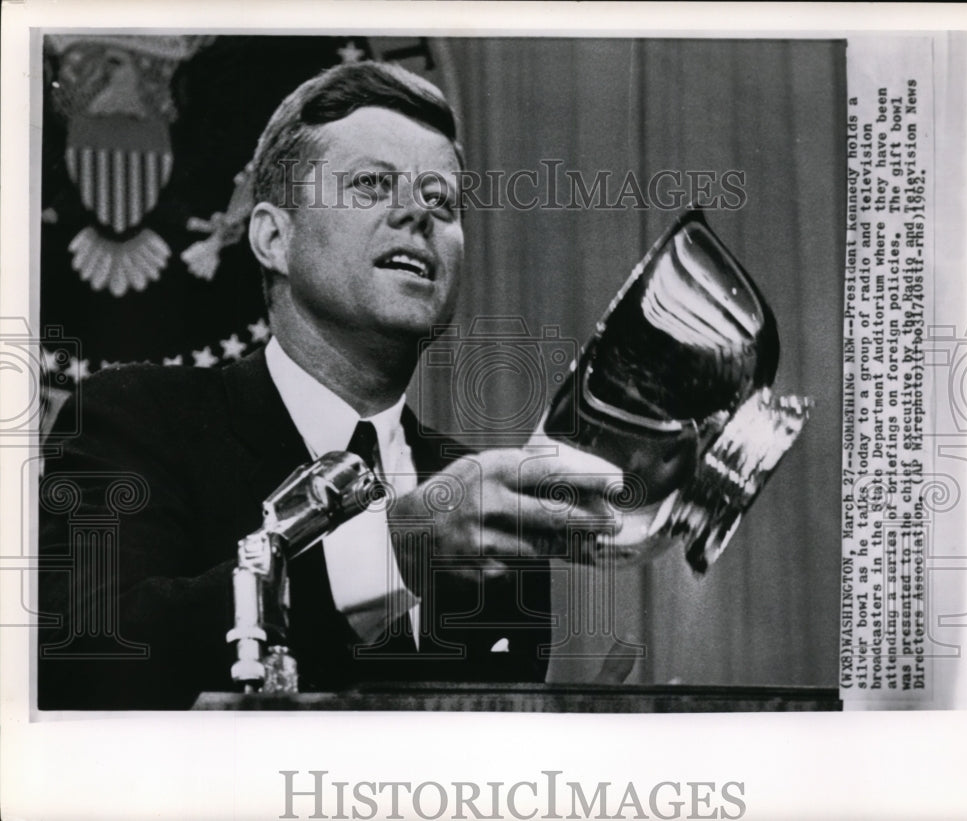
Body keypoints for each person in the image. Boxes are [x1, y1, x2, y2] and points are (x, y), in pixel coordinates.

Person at [37, 61, 623, 710]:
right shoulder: (132, 421)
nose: (417, 215)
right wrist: (395, 545)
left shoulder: (486, 505)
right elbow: (90, 661)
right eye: (373, 184)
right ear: (272, 238)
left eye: (442, 201)